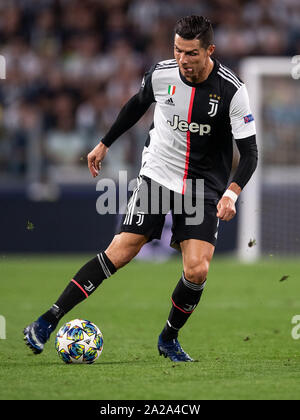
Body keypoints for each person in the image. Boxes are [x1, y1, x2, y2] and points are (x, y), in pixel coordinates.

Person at [24, 16, 258, 362]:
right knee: (120, 251)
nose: (183, 59)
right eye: (178, 50)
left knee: (197, 270)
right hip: (159, 173)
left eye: (191, 53)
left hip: (203, 185)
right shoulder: (161, 74)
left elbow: (250, 152)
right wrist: (104, 144)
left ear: (210, 50)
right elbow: (136, 104)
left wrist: (232, 191)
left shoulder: (232, 90)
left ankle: (168, 337)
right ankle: (48, 320)